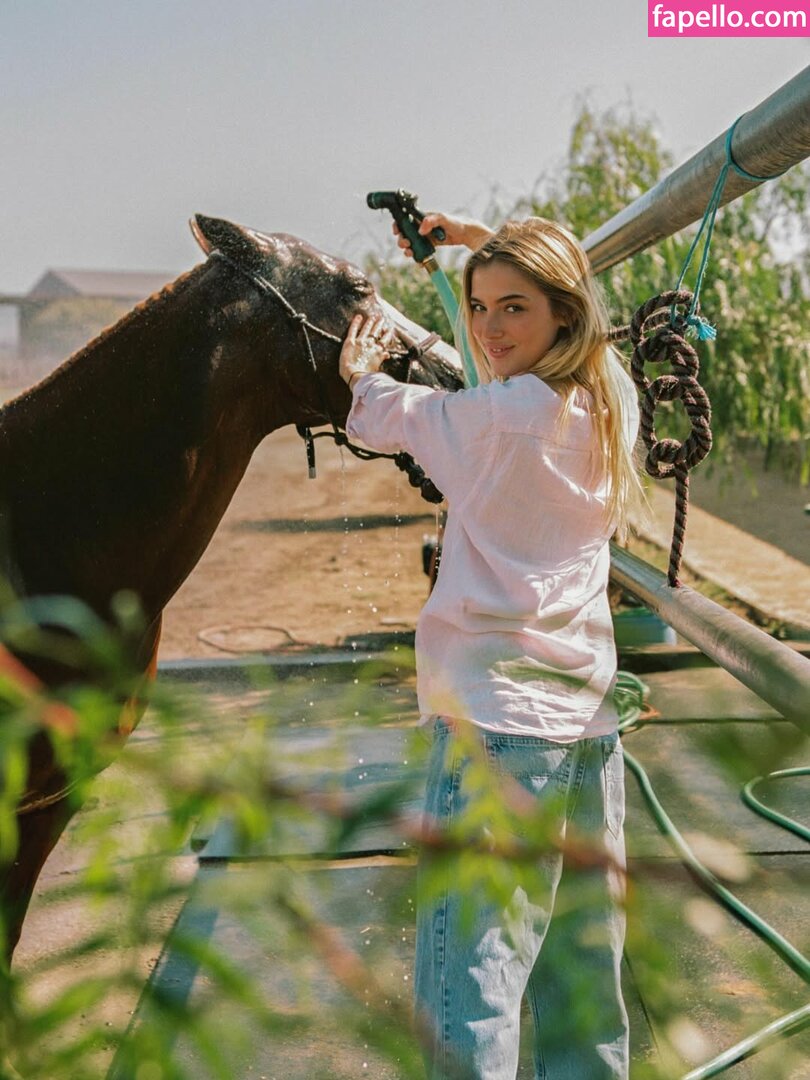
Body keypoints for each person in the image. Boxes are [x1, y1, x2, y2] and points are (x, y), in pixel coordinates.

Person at [339, 212, 641, 1080]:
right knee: (583, 980)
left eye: (514, 308)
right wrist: (476, 240)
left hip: (496, 726)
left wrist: (359, 371)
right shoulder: (608, 405)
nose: (487, 329)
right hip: (587, 728)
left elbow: (383, 416)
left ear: (561, 313)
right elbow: (575, 340)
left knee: (471, 983)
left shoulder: (491, 420)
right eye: (478, 308)